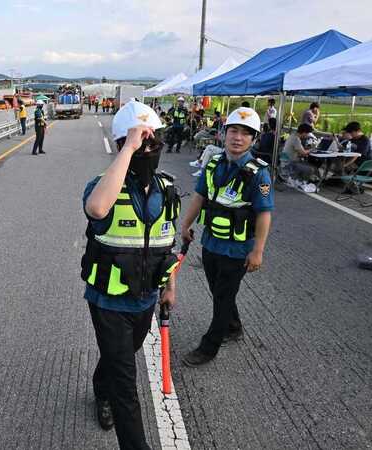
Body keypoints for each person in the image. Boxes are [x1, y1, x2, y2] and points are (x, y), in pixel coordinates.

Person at [82, 100, 180, 449]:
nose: (147, 150)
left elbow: (167, 245)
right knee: (126, 384)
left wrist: (170, 286)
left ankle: (99, 385)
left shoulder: (168, 189)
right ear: (123, 144)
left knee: (119, 358)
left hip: (145, 300)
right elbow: (97, 209)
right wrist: (129, 149)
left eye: (154, 143)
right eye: (140, 142)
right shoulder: (102, 186)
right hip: (108, 303)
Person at [179, 107, 273, 367]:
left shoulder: (259, 173)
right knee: (218, 290)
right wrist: (185, 224)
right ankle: (232, 326)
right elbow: (200, 196)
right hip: (211, 242)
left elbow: (264, 214)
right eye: (233, 131)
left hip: (238, 249)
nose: (238, 137)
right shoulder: (213, 164)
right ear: (224, 133)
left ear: (253, 139)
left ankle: (209, 346)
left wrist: (258, 251)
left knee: (222, 296)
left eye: (245, 133)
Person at [343, 121, 372, 185]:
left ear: (358, 131)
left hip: (362, 163)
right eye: (349, 132)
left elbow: (357, 155)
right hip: (353, 160)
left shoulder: (364, 140)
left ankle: (351, 186)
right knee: (336, 164)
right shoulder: (353, 139)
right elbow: (346, 149)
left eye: (351, 132)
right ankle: (341, 181)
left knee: (341, 167)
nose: (350, 134)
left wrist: (346, 164)